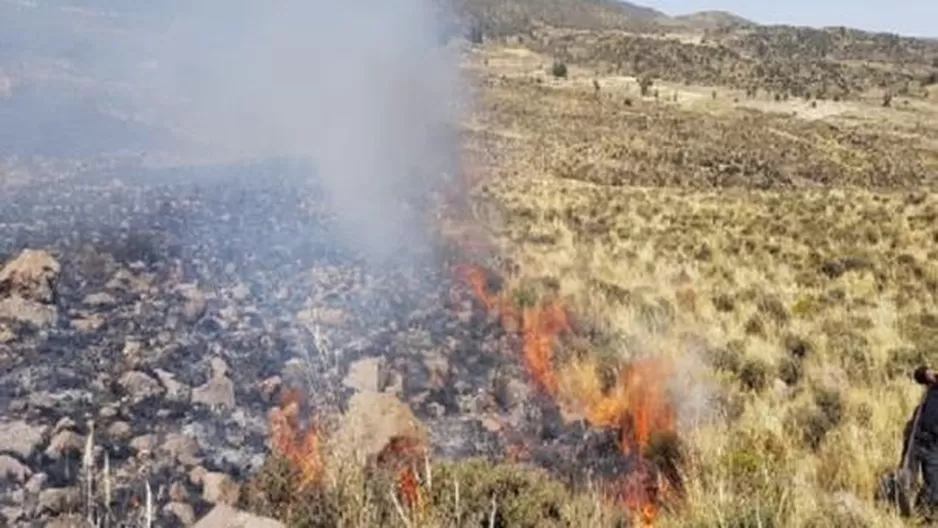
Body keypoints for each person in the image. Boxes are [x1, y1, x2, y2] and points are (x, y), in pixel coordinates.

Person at [901, 366, 938, 515]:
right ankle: (902, 513)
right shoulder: (935, 381)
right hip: (916, 438)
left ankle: (924, 517)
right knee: (906, 478)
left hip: (935, 446)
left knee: (934, 486)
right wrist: (925, 372)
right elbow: (918, 374)